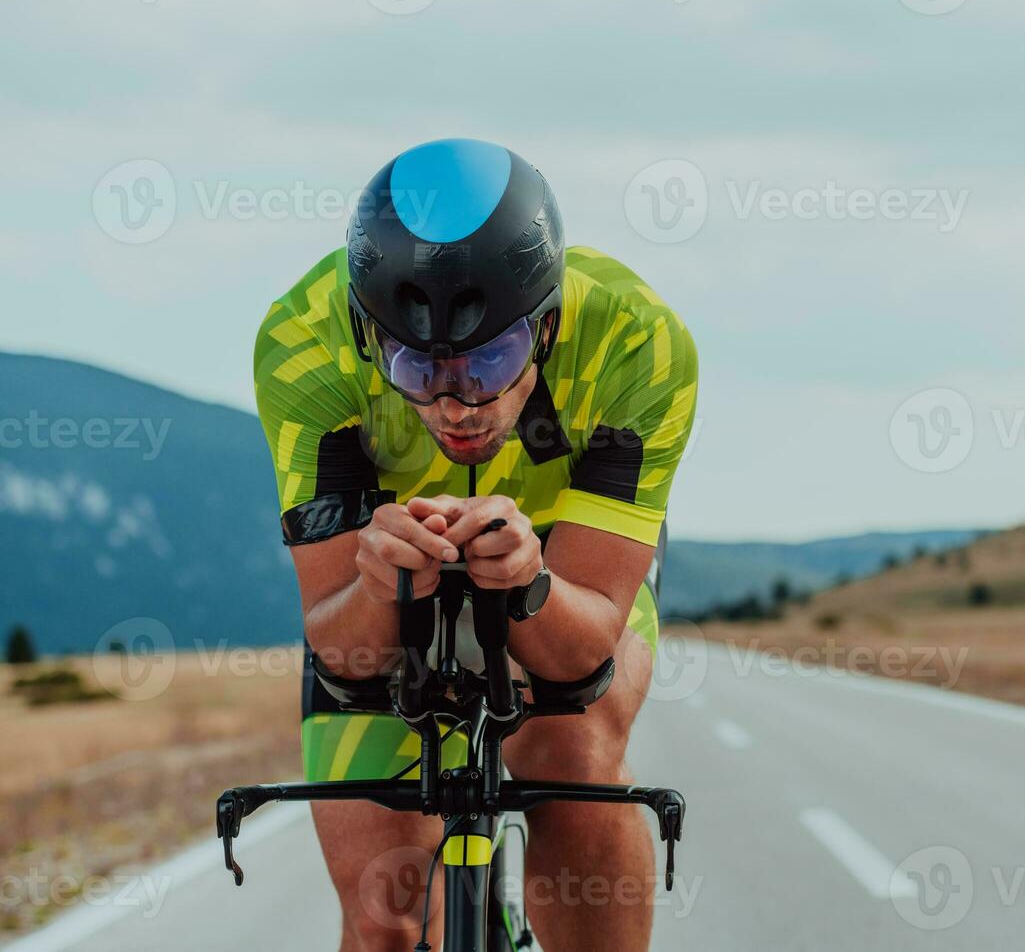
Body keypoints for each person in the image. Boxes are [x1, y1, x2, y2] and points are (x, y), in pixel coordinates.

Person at [253, 137, 698, 952]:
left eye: (493, 358)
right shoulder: (301, 343)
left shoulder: (641, 341)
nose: (460, 404)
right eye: (418, 370)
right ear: (365, 332)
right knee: (383, 918)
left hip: (562, 555)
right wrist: (386, 584)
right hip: (384, 567)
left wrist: (529, 582)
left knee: (571, 749)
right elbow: (343, 649)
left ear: (550, 321)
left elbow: (587, 638)